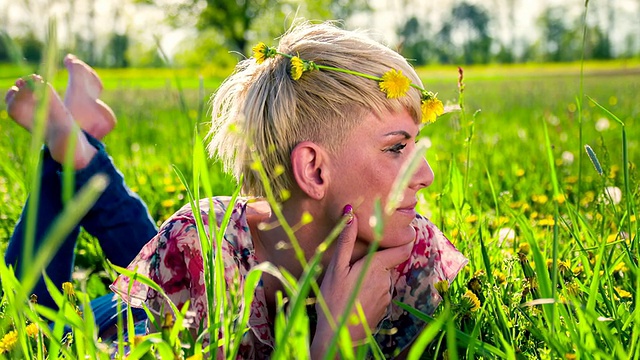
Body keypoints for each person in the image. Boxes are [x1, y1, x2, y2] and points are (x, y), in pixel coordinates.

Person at [6, 22, 467, 358]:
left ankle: (77, 146)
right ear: (314, 170)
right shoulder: (198, 245)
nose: (425, 174)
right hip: (124, 326)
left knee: (172, 256)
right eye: (396, 149)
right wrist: (332, 345)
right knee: (26, 322)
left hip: (195, 278)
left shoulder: (413, 254)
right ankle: (68, 148)